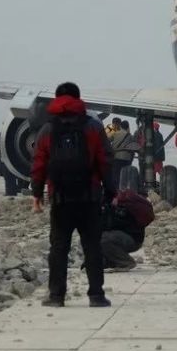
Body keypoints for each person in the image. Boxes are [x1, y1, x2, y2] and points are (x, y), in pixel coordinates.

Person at [31, 81, 116, 308]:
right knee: (92, 247)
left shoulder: (47, 129)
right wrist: (111, 191)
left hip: (60, 198)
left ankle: (57, 296)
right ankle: (96, 295)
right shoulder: (93, 127)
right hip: (89, 197)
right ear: (79, 99)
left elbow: (39, 163)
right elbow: (105, 160)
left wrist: (36, 194)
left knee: (59, 248)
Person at [100, 189, 153, 271]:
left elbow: (112, 225)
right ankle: (109, 262)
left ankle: (126, 262)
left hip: (132, 239)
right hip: (126, 237)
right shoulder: (114, 203)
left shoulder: (119, 206)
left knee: (102, 239)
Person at [109, 119, 138, 189]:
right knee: (124, 176)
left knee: (115, 175)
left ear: (121, 126)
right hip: (126, 159)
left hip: (116, 157)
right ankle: (122, 191)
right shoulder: (130, 136)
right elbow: (134, 148)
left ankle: (115, 191)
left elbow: (107, 140)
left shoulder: (115, 133)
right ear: (128, 127)